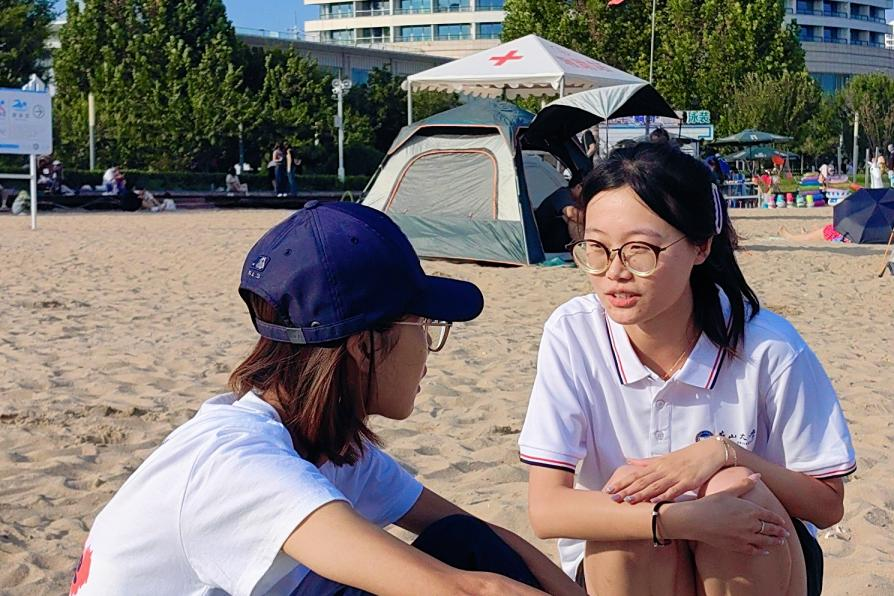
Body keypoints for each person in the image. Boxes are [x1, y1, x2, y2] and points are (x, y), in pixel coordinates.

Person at [71, 202, 582, 596]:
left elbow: (477, 535)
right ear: (363, 346)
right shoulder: (240, 465)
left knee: (462, 543)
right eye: (423, 325)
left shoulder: (321, 441)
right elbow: (466, 590)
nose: (430, 347)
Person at [519, 142, 855, 596]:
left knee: (734, 488)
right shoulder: (573, 333)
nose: (614, 272)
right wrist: (677, 519)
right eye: (596, 248)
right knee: (629, 512)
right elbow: (546, 510)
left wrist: (727, 454)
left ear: (701, 246)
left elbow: (828, 504)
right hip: (627, 567)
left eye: (639, 250)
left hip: (763, 559)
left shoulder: (769, 346)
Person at [534, 172, 584, 253]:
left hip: (556, 238)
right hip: (545, 239)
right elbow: (571, 214)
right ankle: (581, 249)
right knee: (572, 218)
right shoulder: (563, 194)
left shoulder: (577, 200)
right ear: (578, 187)